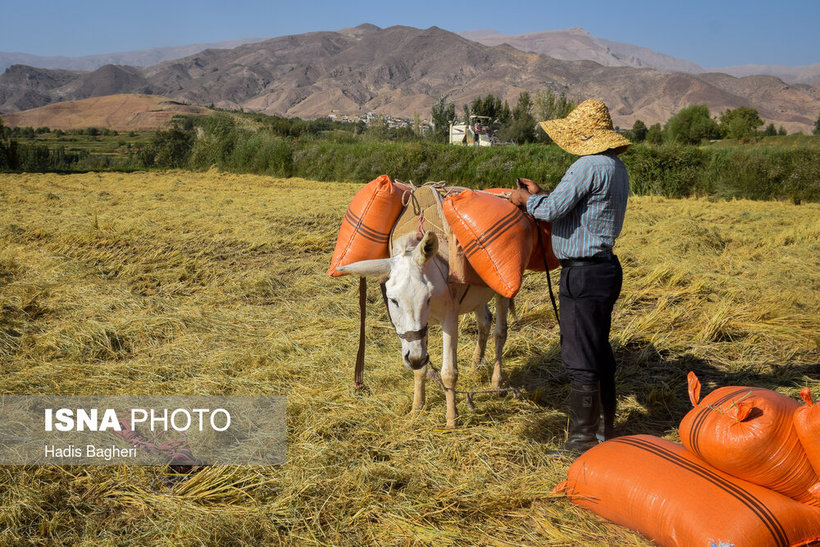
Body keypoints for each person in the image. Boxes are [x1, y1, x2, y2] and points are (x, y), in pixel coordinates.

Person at [510, 98, 631, 455]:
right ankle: (605, 430)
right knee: (599, 349)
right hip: (605, 269)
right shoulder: (615, 167)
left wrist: (524, 199)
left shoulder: (586, 166)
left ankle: (580, 440)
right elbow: (573, 206)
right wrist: (541, 194)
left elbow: (551, 210)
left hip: (583, 273)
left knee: (579, 355)